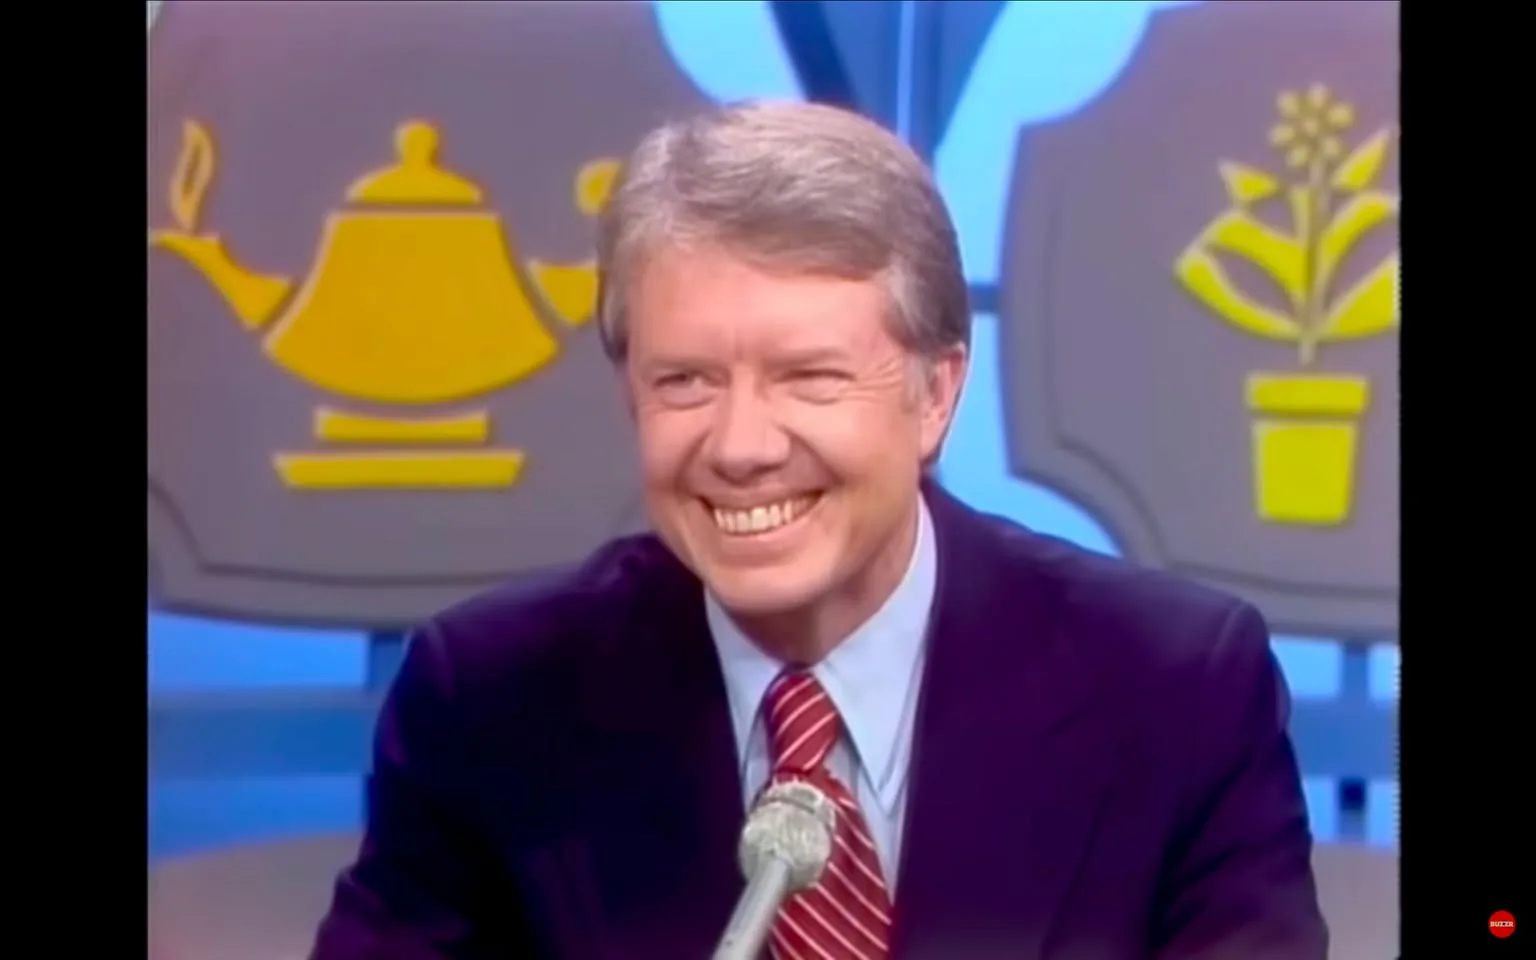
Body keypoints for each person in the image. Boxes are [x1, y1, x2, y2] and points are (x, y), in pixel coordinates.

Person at [311, 101, 1327, 960]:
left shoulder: (1174, 690)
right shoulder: (493, 700)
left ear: (935, 395)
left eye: (809, 377)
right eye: (686, 381)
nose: (741, 445)